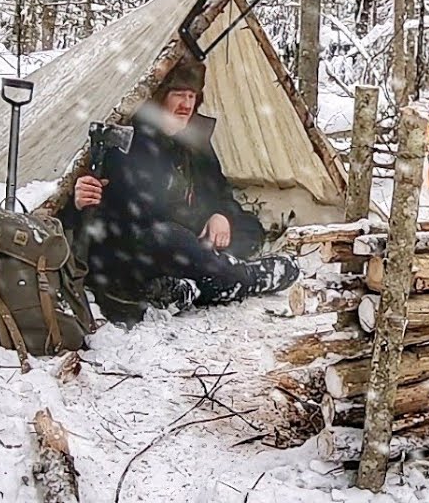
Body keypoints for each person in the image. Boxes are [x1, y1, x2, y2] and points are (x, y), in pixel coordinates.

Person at [62, 59, 300, 325]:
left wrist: (219, 214)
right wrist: (78, 200)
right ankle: (247, 278)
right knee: (169, 239)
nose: (186, 105)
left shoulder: (194, 145)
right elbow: (84, 210)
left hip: (192, 239)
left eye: (192, 96)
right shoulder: (125, 142)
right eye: (178, 95)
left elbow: (219, 192)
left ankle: (187, 287)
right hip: (138, 247)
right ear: (160, 98)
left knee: (247, 227)